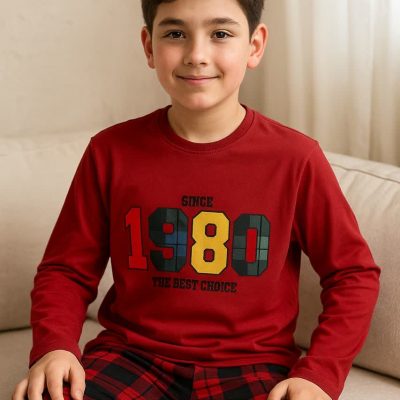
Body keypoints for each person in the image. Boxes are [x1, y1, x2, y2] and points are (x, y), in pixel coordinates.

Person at [12, 0, 381, 399]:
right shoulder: (109, 152)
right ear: (149, 47)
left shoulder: (296, 159)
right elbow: (66, 270)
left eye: (220, 34)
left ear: (255, 46)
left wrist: (319, 374)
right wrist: (54, 347)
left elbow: (352, 274)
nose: (196, 55)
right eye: (175, 34)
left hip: (253, 366)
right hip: (131, 357)